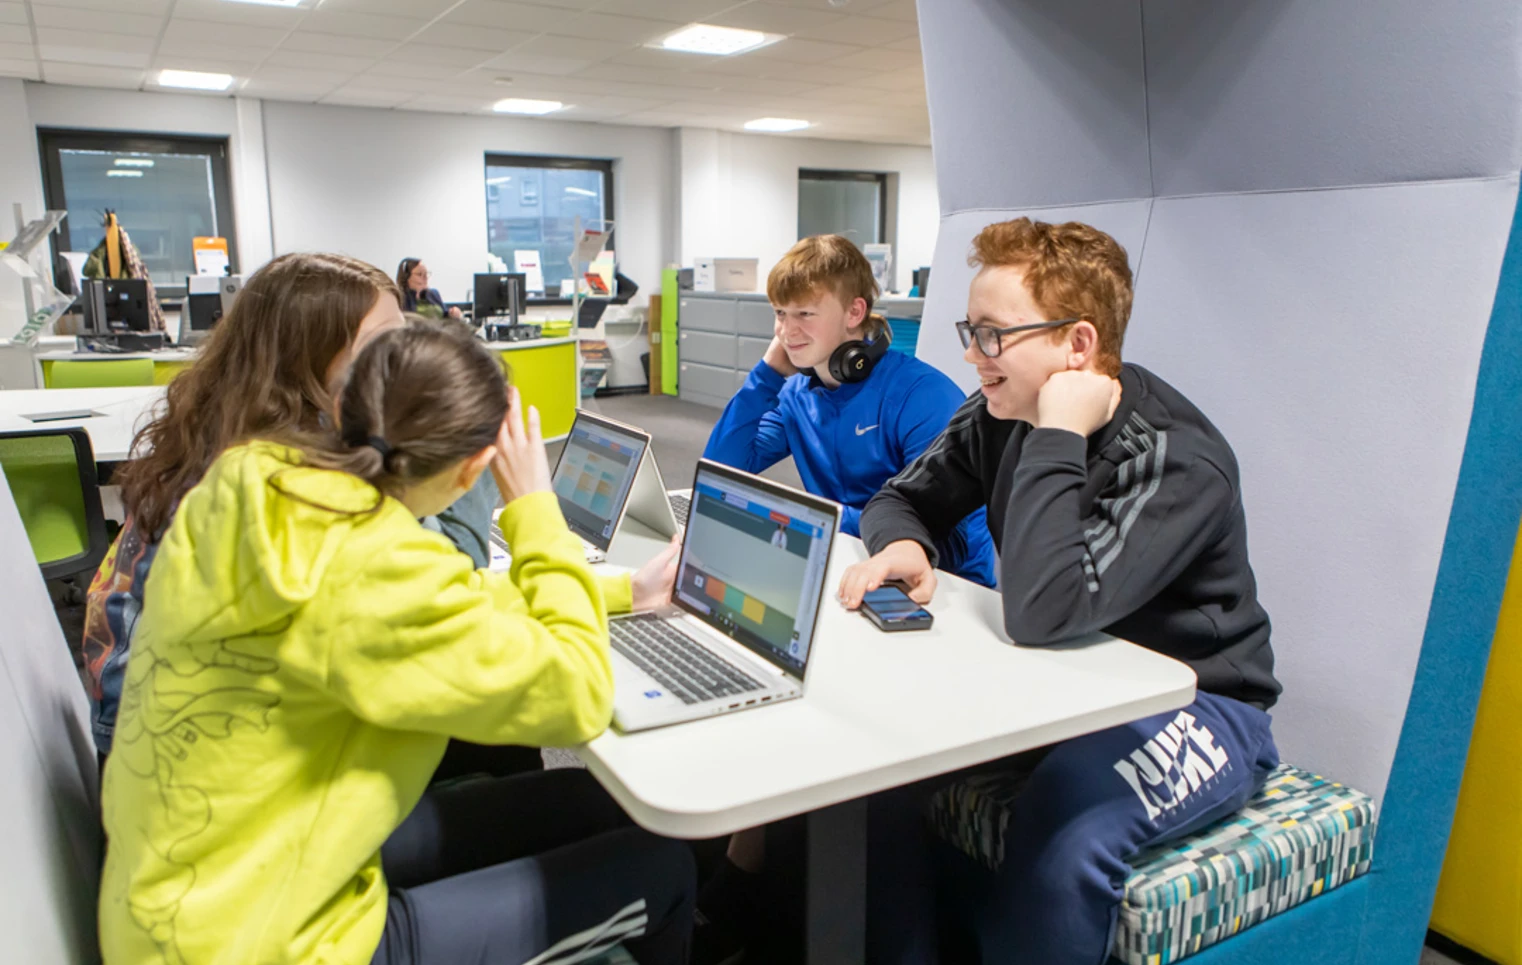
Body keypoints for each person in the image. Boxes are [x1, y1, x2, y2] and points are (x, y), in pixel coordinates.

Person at [99, 323, 695, 965]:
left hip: (205, 876)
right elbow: (577, 694)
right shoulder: (376, 568)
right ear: (474, 468)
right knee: (662, 870)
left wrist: (622, 591)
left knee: (586, 798)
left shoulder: (256, 476)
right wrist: (534, 508)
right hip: (264, 941)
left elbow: (448, 594)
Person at [838, 218, 1282, 964]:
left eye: (994, 335)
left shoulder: (1177, 461)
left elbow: (1044, 611)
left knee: (1066, 830)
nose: (973, 356)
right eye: (970, 330)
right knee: (874, 771)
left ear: (1078, 344)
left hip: (1200, 703)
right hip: (1063, 681)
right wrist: (906, 541)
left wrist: (1056, 437)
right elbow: (896, 499)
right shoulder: (1002, 410)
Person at [82, 254, 676, 762]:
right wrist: (514, 490)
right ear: (309, 369)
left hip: (188, 764)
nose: (402, 362)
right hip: (237, 816)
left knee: (497, 751)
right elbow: (445, 579)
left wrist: (627, 592)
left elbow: (431, 590)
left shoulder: (254, 464)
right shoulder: (301, 505)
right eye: (382, 350)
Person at [702, 234, 997, 589]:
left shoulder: (922, 395)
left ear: (854, 312)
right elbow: (721, 470)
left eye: (805, 314)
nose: (786, 331)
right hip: (842, 561)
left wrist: (817, 521)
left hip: (940, 583)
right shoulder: (797, 393)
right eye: (780, 313)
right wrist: (766, 376)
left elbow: (949, 539)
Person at [396, 257, 462, 320]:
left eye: (426, 274)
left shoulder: (433, 293)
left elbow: (445, 316)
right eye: (420, 274)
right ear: (407, 277)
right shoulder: (401, 298)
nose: (425, 278)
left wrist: (452, 314)